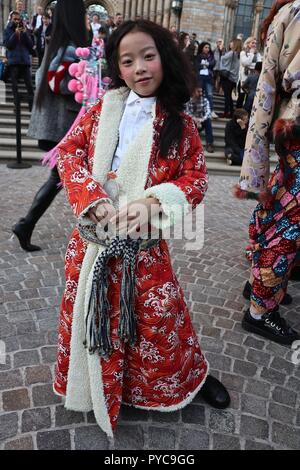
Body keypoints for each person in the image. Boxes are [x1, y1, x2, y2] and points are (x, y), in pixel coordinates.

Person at [53, 19, 230, 436]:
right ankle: (98, 385)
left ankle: (190, 377)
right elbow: (69, 152)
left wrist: (155, 202)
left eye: (148, 56)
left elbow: (196, 178)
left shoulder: (181, 125)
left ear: (164, 59)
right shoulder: (102, 109)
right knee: (95, 317)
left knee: (158, 320)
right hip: (94, 243)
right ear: (118, 67)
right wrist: (90, 199)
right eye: (128, 61)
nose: (140, 68)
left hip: (143, 248)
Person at [235, 0, 300, 345]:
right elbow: (270, 81)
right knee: (289, 223)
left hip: (292, 128)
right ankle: (261, 309)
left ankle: (260, 284)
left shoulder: (289, 10)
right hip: (297, 128)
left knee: (278, 212)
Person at [12, 0, 89, 252]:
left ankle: (26, 225)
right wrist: (87, 89)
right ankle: (27, 224)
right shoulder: (70, 48)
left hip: (53, 126)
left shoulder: (56, 44)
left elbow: (42, 79)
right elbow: (60, 84)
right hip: (63, 127)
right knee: (71, 177)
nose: (88, 19)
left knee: (63, 178)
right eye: (85, 15)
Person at [3, 11, 34, 112]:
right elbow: (8, 45)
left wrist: (25, 34)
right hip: (14, 61)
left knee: (29, 86)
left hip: (24, 61)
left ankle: (31, 107)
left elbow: (30, 46)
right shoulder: (7, 30)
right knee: (14, 86)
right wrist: (15, 34)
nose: (16, 21)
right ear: (11, 19)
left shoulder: (24, 29)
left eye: (18, 19)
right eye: (14, 19)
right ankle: (17, 106)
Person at [185, 85, 215, 153]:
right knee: (185, 121)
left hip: (201, 122)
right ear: (193, 92)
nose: (201, 93)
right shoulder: (188, 101)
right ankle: (188, 144)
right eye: (198, 91)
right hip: (192, 122)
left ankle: (209, 143)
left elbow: (208, 112)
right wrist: (195, 119)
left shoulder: (205, 100)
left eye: (201, 91)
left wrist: (200, 120)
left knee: (208, 121)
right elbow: (186, 112)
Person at [218, 38, 242, 118]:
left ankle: (226, 112)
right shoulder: (238, 54)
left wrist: (221, 51)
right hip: (234, 78)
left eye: (231, 43)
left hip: (227, 77)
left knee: (227, 96)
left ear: (234, 44)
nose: (230, 44)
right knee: (229, 96)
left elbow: (222, 58)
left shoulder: (232, 53)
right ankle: (231, 112)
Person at [236, 36, 262, 108]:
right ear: (248, 44)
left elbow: (259, 65)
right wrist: (251, 54)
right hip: (243, 80)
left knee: (249, 100)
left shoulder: (258, 54)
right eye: (252, 43)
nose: (254, 45)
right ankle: (237, 116)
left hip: (253, 81)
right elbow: (245, 63)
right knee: (241, 98)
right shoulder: (243, 53)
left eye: (255, 43)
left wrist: (250, 64)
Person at [195, 42, 216, 117]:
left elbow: (212, 64)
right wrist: (205, 65)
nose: (207, 49)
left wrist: (205, 64)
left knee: (209, 95)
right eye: (206, 47)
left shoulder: (211, 56)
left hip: (208, 78)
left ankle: (211, 110)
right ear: (202, 48)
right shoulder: (198, 56)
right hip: (200, 77)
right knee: (199, 94)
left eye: (208, 47)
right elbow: (197, 66)